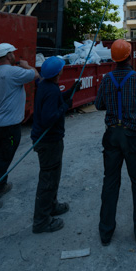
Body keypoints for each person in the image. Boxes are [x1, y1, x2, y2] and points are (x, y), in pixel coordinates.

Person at [95, 39, 136, 247]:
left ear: (113, 59)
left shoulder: (107, 79)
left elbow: (98, 105)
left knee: (110, 181)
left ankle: (105, 232)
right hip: (133, 136)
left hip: (112, 135)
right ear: (130, 56)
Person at [0, 43, 39, 213]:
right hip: (10, 126)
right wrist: (27, 66)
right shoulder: (13, 72)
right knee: (4, 158)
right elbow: (35, 75)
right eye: (12, 53)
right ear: (8, 55)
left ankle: (1, 185)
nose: (14, 56)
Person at [31, 57, 81, 234]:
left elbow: (57, 99)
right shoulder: (50, 90)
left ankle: (51, 206)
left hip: (49, 141)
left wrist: (71, 92)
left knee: (53, 176)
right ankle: (41, 221)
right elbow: (49, 118)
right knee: (48, 180)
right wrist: (65, 107)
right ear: (58, 72)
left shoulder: (46, 86)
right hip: (48, 142)